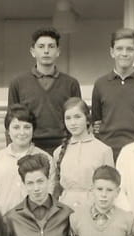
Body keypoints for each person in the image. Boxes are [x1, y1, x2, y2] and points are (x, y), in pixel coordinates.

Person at [7, 27, 81, 155]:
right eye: (41, 47)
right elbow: (11, 121)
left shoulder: (71, 83)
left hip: (63, 146)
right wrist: (13, 152)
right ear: (33, 51)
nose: (46, 51)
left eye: (51, 46)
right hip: (29, 146)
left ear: (58, 51)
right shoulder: (18, 83)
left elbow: (78, 119)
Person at [91, 28, 134, 161]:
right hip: (107, 153)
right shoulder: (100, 84)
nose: (124, 53)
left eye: (129, 49)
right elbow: (97, 123)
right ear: (112, 52)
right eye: (119, 49)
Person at [0, 105, 53, 215]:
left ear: (33, 130)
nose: (22, 132)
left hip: (36, 222)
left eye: (27, 127)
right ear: (8, 131)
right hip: (4, 222)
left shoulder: (46, 159)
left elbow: (50, 195)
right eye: (16, 127)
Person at [53, 97, 114, 209]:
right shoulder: (58, 152)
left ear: (87, 119)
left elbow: (110, 187)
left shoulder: (103, 150)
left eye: (77, 117)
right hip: (66, 209)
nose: (73, 123)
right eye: (68, 118)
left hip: (94, 208)